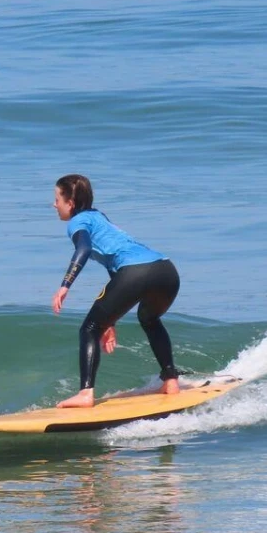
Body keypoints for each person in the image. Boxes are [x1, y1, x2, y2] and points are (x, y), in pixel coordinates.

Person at [51, 174, 181, 408]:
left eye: (57, 199)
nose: (54, 205)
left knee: (89, 329)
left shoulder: (77, 223)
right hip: (166, 271)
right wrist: (110, 320)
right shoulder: (99, 217)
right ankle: (170, 380)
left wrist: (65, 285)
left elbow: (84, 248)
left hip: (135, 272)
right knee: (149, 318)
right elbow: (117, 273)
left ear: (70, 203)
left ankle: (85, 394)